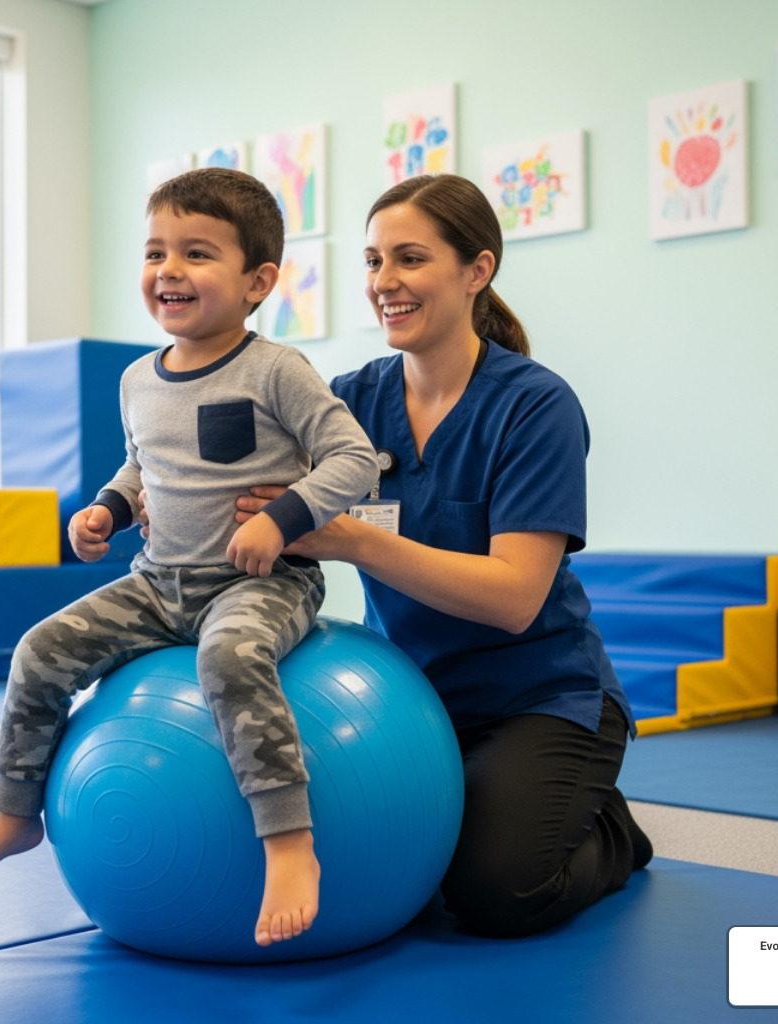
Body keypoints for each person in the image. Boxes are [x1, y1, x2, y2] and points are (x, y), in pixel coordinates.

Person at [0, 168, 379, 949]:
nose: (168, 270)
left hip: (262, 581)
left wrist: (282, 519)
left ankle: (287, 842)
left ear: (257, 282)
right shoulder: (138, 378)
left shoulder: (276, 369)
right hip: (156, 581)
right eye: (155, 252)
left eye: (197, 254)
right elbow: (142, 467)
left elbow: (355, 459)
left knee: (230, 660)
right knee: (39, 649)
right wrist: (109, 507)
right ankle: (14, 815)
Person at [234, 173, 652, 937]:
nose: (383, 283)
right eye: (371, 261)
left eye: (410, 259)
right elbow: (250, 493)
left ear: (477, 270)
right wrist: (136, 500)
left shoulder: (534, 405)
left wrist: (357, 539)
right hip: (406, 702)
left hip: (540, 699)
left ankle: (614, 833)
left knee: (493, 892)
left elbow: (515, 596)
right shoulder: (349, 402)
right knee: (354, 863)